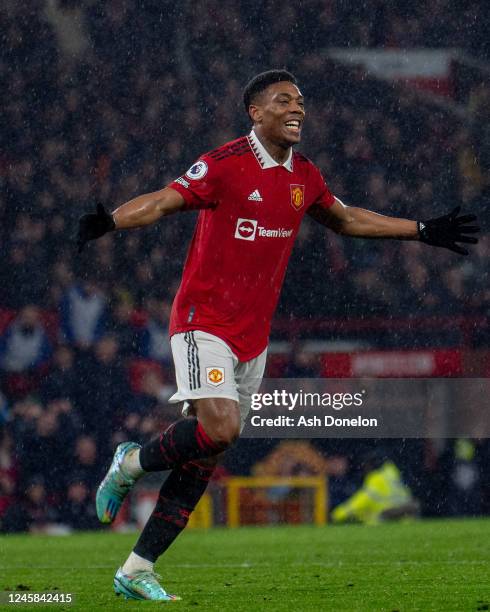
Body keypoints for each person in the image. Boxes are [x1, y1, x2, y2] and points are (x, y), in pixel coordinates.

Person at [77, 70, 479, 601]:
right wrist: (112, 222)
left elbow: (347, 219)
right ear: (256, 112)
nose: (298, 109)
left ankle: (135, 569)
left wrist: (421, 230)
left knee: (207, 453)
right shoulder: (224, 164)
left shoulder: (305, 175)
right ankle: (128, 464)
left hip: (253, 336)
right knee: (220, 427)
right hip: (204, 322)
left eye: (301, 101)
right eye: (284, 100)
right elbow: (164, 200)